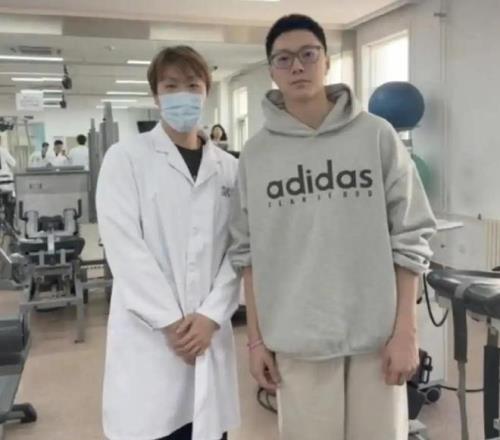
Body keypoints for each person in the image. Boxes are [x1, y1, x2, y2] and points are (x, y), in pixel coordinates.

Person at [229, 14, 437, 440]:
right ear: (271, 71)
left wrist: (406, 330)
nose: (297, 66)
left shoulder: (376, 136)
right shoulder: (256, 154)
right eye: (284, 59)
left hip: (376, 339)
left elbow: (411, 236)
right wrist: (255, 341)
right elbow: (248, 255)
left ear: (327, 61)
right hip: (297, 341)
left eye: (308, 54)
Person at [96, 45, 241, 440]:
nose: (182, 95)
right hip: (152, 341)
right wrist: (173, 324)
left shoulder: (230, 169)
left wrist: (211, 316)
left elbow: (239, 250)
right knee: (155, 427)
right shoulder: (125, 159)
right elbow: (125, 250)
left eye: (192, 85)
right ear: (156, 95)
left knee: (207, 428)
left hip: (209, 335)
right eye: (171, 85)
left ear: (206, 91)